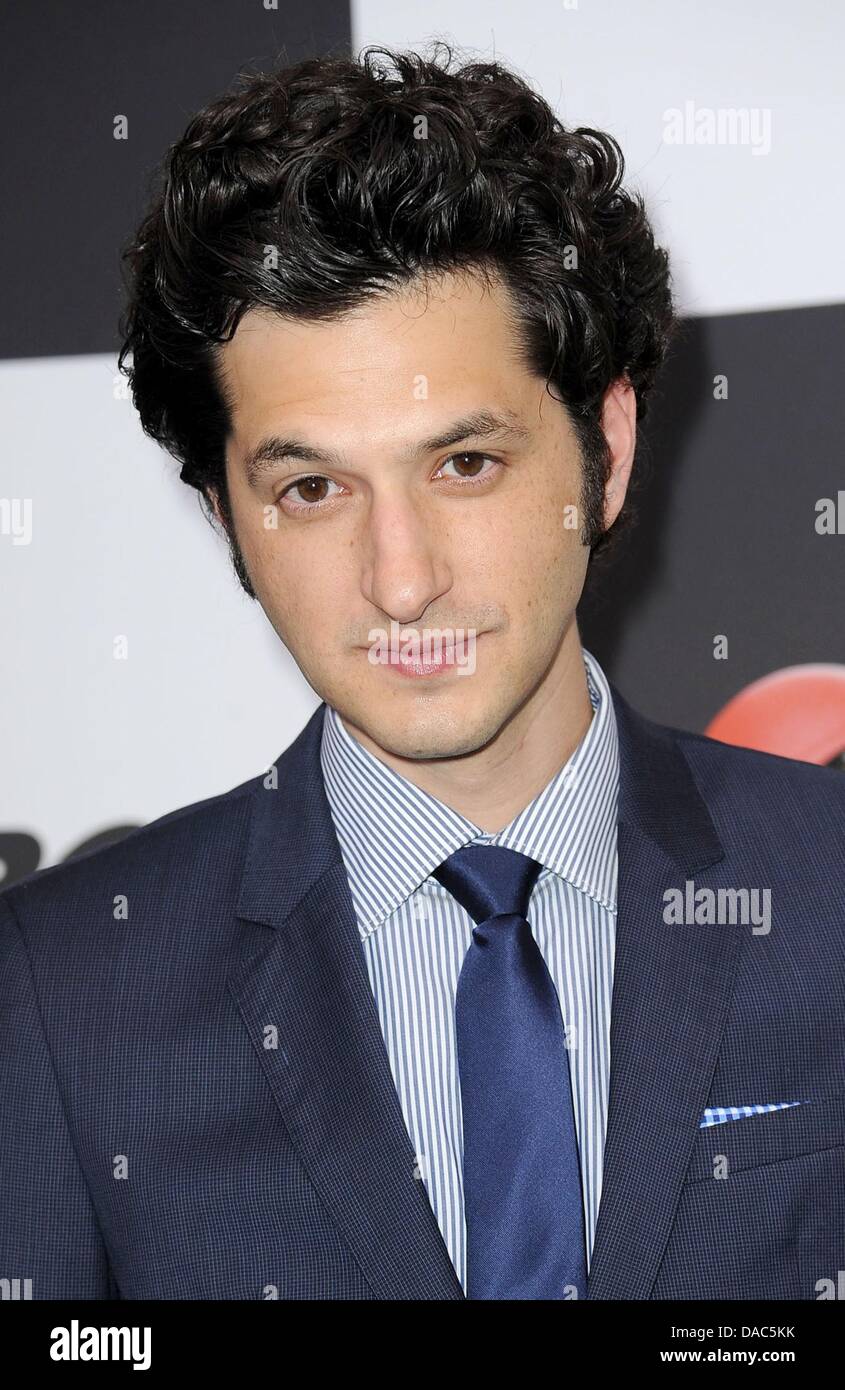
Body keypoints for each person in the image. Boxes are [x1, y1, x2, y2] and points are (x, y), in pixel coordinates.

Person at [2, 46, 843, 1302]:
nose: (401, 582)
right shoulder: (59, 994)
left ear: (602, 451)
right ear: (227, 517)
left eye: (463, 465)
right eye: (311, 488)